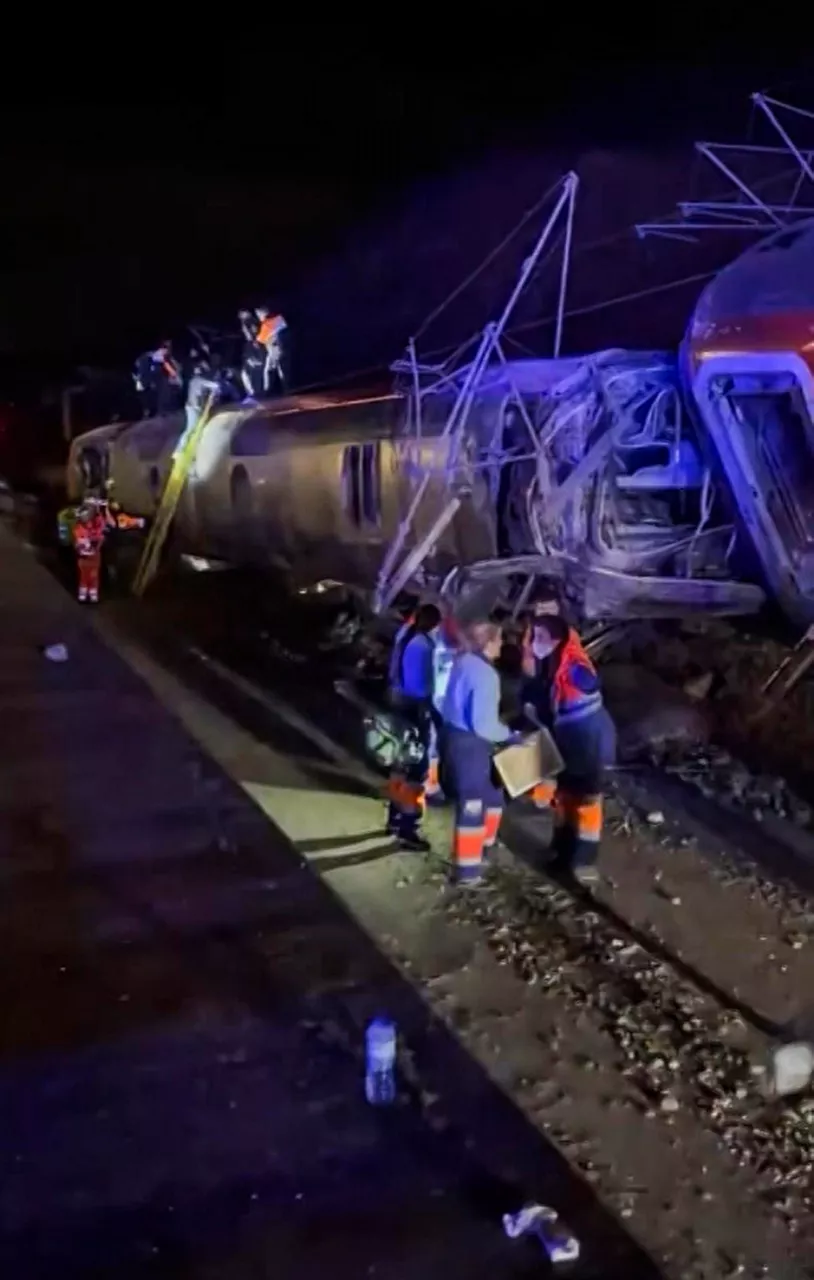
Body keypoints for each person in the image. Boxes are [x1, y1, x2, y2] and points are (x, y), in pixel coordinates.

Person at [522, 614, 616, 883]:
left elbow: (587, 686)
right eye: (534, 637)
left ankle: (583, 861)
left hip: (588, 745)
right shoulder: (552, 667)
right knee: (565, 799)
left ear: (558, 641)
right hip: (568, 743)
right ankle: (561, 853)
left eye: (541, 638)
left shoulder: (575, 668)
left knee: (586, 803)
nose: (535, 644)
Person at [441, 620, 515, 884]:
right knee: (472, 805)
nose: (502, 644)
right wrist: (510, 736)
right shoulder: (486, 675)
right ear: (488, 643)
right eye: (499, 640)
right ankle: (467, 870)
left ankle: (484, 849)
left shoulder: (463, 661)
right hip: (470, 744)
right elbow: (483, 724)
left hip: (452, 736)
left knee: (492, 795)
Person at [385, 602, 442, 851]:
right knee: (415, 771)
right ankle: (408, 828)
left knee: (398, 765)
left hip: (397, 703)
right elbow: (423, 687)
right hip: (414, 709)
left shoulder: (405, 635)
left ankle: (394, 818)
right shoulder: (424, 646)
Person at [71, 502, 107, 603]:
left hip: (93, 557)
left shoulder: (95, 526)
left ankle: (92, 595)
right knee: (85, 576)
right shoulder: (79, 529)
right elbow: (77, 542)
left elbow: (100, 536)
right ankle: (84, 594)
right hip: (84, 557)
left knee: (93, 576)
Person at [255, 306, 288, 395]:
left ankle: (268, 391)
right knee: (281, 369)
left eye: (258, 314)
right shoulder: (278, 319)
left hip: (275, 350)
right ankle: (287, 389)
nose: (258, 316)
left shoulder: (267, 323)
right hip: (282, 348)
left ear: (263, 313)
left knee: (270, 370)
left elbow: (260, 340)